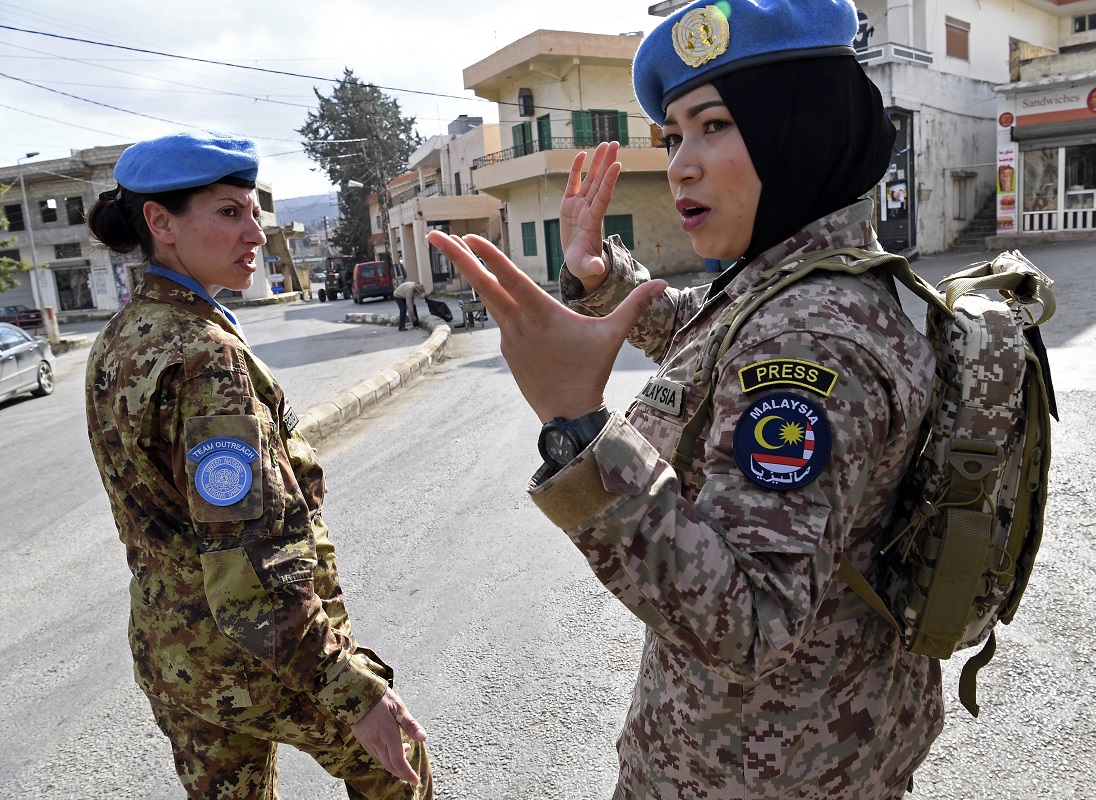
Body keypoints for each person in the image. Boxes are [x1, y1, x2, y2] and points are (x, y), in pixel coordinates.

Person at [427, 0, 942, 797]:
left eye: (715, 126)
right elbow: (717, 364)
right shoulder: (812, 280)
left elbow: (751, 622)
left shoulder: (809, 338)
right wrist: (607, 283)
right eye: (673, 136)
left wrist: (581, 430)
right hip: (831, 742)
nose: (680, 165)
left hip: (754, 769)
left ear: (797, 126)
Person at [84, 130, 433, 800]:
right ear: (160, 223)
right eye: (228, 212)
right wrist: (354, 693)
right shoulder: (203, 354)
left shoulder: (120, 336)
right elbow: (251, 566)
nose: (256, 233)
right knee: (400, 768)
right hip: (251, 663)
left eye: (254, 211)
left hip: (171, 656)